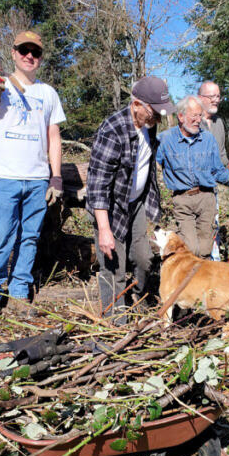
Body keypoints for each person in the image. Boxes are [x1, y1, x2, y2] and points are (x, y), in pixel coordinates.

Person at [0, 30, 66, 311]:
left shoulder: (48, 93)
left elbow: (54, 137)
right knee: (0, 237)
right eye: (24, 50)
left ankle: (19, 292)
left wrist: (56, 176)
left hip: (37, 180)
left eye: (35, 52)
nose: (29, 56)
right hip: (5, 177)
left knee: (29, 238)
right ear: (13, 53)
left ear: (40, 58)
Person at [86, 76, 174, 320]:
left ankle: (136, 298)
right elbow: (97, 186)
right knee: (113, 265)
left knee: (144, 259)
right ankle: (116, 322)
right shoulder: (112, 130)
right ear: (136, 104)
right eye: (154, 111)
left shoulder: (149, 124)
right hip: (111, 208)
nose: (158, 118)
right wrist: (104, 230)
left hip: (134, 205)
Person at [156, 95, 229, 257]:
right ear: (180, 116)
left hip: (207, 199)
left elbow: (217, 172)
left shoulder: (207, 139)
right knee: (190, 249)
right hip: (183, 200)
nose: (198, 120)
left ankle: (201, 281)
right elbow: (149, 166)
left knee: (206, 250)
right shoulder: (165, 140)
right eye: (194, 115)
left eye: (200, 115)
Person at [199, 80, 229, 260]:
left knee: (212, 228)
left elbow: (222, 154)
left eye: (218, 96)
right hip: (193, 189)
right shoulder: (191, 121)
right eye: (212, 96)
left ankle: (213, 268)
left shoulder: (218, 123)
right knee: (197, 234)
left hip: (212, 187)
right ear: (201, 98)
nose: (217, 100)